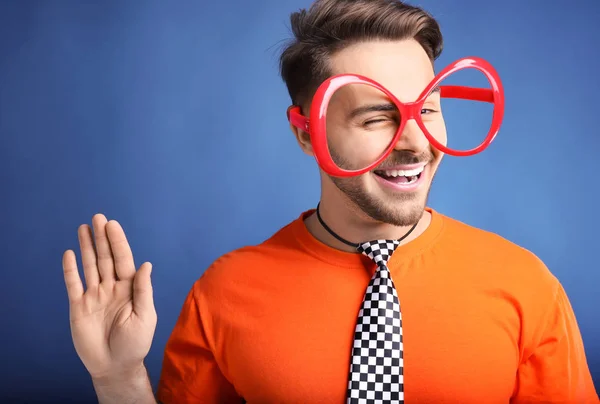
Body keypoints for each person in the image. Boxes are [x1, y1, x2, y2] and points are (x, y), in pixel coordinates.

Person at [62, 0, 599, 403]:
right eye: (374, 117)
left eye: (428, 108)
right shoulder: (222, 295)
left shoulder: (527, 286)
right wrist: (118, 379)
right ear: (306, 135)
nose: (414, 140)